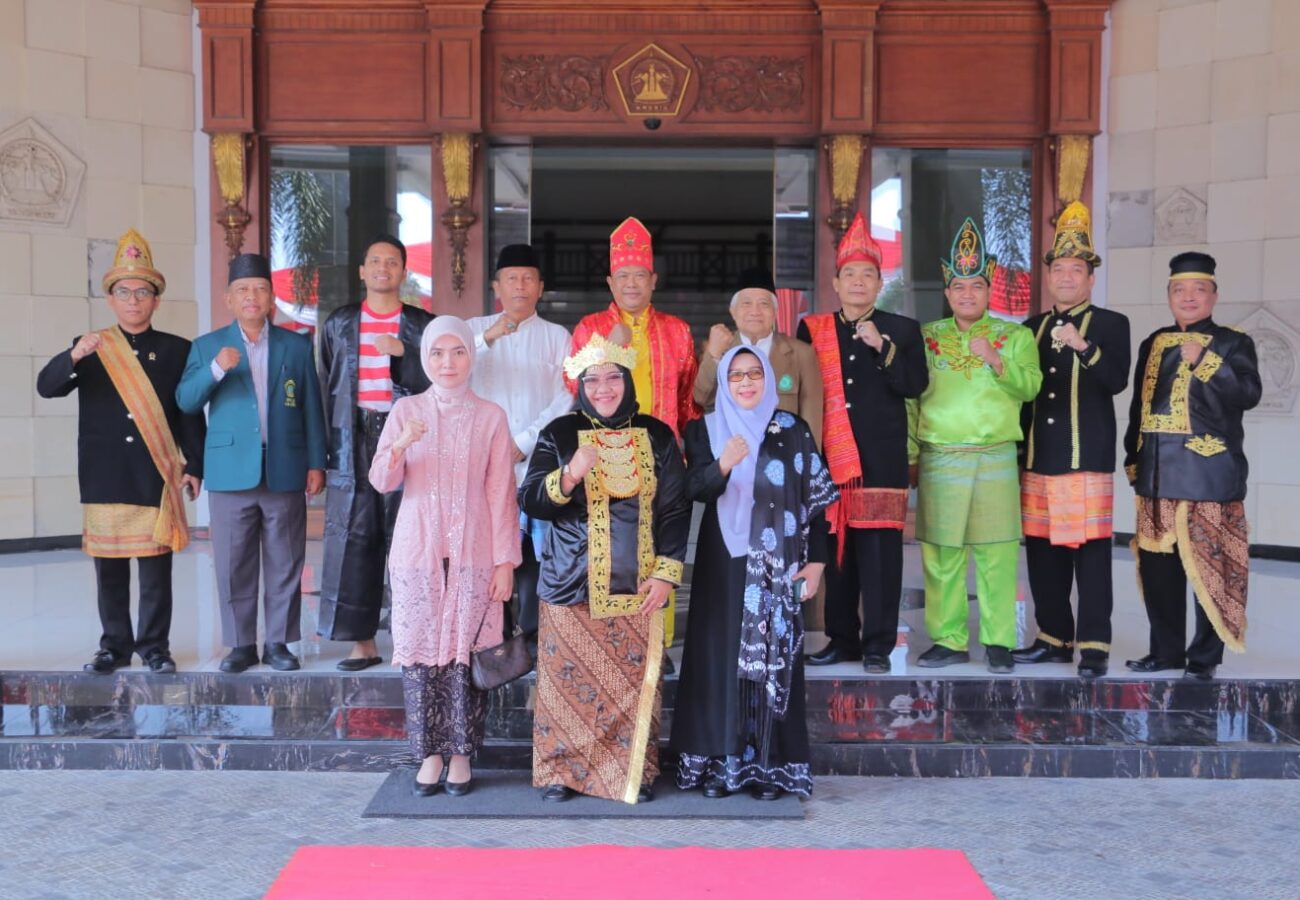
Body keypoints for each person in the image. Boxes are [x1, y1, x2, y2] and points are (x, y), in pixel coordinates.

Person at [521, 328, 689, 805]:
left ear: (627, 380)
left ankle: (633, 769)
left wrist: (666, 572)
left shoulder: (657, 434)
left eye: (613, 378)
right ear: (580, 386)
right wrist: (570, 473)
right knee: (566, 686)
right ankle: (562, 772)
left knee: (630, 685)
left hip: (638, 585)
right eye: (592, 381)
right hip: (569, 583)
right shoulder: (559, 433)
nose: (603, 389)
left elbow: (675, 509)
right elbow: (530, 500)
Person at [671, 346, 837, 800]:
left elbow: (816, 502)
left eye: (754, 374)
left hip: (779, 564)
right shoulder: (704, 429)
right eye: (736, 375)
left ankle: (770, 768)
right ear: (724, 383)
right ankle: (720, 764)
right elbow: (693, 490)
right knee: (719, 660)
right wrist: (723, 464)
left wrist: (816, 563)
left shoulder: (792, 429)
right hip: (722, 561)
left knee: (772, 661)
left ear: (767, 379)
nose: (746, 383)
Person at [37, 229, 206, 674]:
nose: (134, 300)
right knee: (109, 573)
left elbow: (188, 412)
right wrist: (74, 355)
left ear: (156, 300)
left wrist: (195, 463)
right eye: (125, 292)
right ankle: (113, 647)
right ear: (111, 299)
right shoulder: (92, 346)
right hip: (105, 475)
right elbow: (47, 387)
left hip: (154, 473)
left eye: (143, 292)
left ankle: (155, 648)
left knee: (155, 574)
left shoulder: (177, 349)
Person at [368, 316, 521, 796]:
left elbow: (501, 492)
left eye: (457, 352)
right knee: (422, 658)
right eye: (437, 353)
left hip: (474, 551)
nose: (447, 362)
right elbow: (381, 481)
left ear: (470, 357)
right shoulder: (406, 410)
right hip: (418, 552)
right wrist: (401, 443)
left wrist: (505, 562)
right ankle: (429, 755)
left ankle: (461, 756)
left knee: (464, 656)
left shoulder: (491, 416)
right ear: (425, 358)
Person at [176, 253, 326, 673]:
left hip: (285, 466)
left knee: (286, 559)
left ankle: (279, 643)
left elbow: (311, 408)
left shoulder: (296, 346)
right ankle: (240, 644)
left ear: (271, 298)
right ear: (229, 299)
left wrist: (317, 462)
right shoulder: (207, 347)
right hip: (229, 470)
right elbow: (186, 401)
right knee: (233, 561)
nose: (252, 296)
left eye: (260, 289)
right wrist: (215, 369)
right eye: (242, 289)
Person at [798, 212, 928, 672]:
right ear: (835, 283)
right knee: (837, 554)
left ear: (879, 283)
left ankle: (877, 646)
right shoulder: (813, 329)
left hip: (880, 462)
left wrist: (883, 348)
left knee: (880, 558)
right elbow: (804, 389)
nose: (858, 282)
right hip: (830, 459)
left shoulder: (903, 330)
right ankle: (841, 640)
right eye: (849, 274)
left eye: (867, 275)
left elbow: (914, 384)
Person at [1123, 252, 1261, 680]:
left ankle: (1203, 659)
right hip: (1156, 472)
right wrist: (1132, 456)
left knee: (1209, 567)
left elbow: (1248, 394)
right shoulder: (1153, 341)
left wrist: (1206, 361)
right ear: (1169, 296)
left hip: (1208, 473)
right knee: (1158, 569)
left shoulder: (1233, 342)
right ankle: (1165, 652)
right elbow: (1139, 408)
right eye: (1179, 290)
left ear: (1214, 296)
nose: (1188, 297)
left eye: (1198, 289)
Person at [913, 218, 1042, 674]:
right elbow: (910, 398)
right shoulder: (927, 338)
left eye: (976, 286)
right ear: (947, 293)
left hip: (995, 457)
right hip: (940, 456)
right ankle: (948, 639)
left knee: (997, 552)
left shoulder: (1016, 336)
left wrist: (996, 359)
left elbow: (1031, 387)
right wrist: (910, 453)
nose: (967, 294)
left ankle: (999, 640)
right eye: (959, 287)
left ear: (989, 291)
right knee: (941, 553)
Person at [568, 216, 699, 658]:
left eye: (639, 275)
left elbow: (689, 400)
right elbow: (573, 385)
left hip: (663, 456)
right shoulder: (589, 327)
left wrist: (689, 457)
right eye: (622, 276)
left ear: (653, 280)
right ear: (610, 281)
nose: (631, 283)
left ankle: (658, 644)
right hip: (604, 459)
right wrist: (610, 344)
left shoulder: (678, 330)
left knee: (664, 546)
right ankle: (608, 643)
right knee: (610, 550)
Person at [1014, 203, 1130, 679]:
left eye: (1075, 270)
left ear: (1090, 278)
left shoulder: (1110, 324)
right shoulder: (1031, 328)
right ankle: (1053, 638)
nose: (1066, 277)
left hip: (1086, 458)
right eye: (1058, 269)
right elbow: (1023, 395)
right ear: (1048, 277)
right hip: (1040, 456)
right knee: (1043, 553)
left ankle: (1095, 646)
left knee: (1091, 555)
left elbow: (1117, 380)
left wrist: (1083, 346)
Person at [318, 234, 435, 671]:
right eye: (375, 261)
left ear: (404, 272)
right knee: (355, 537)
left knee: (412, 538)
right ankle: (362, 643)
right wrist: (321, 455)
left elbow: (441, 380)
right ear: (362, 271)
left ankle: (413, 639)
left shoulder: (422, 325)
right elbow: (324, 385)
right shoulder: (340, 323)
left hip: (409, 438)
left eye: (392, 262)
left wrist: (405, 353)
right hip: (353, 438)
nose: (383, 268)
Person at [467, 244, 573, 650]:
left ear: (541, 288)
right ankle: (490, 637)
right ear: (496, 286)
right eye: (511, 278)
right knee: (486, 549)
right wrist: (487, 339)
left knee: (532, 551)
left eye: (528, 279)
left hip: (535, 461)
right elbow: (449, 372)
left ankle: (531, 636)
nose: (520, 286)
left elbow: (567, 395)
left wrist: (526, 441)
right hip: (482, 462)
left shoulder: (557, 337)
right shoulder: (472, 330)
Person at [694, 267, 824, 444]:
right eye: (746, 303)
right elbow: (701, 398)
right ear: (733, 311)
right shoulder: (719, 349)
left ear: (776, 312)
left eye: (764, 304)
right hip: (732, 453)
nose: (755, 311)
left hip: (784, 454)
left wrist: (809, 457)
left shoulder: (801, 354)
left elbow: (811, 419)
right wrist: (714, 355)